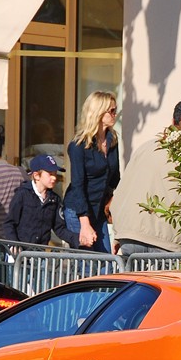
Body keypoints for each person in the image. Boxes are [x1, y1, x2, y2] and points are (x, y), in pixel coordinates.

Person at [111, 99, 181, 256]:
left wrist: (119, 232)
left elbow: (122, 191)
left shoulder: (147, 147)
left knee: (133, 281)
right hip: (167, 241)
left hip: (131, 234)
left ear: (172, 122)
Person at [63, 90, 120, 253]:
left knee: (107, 265)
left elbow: (115, 178)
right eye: (111, 111)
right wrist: (85, 223)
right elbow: (78, 185)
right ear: (98, 113)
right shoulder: (79, 146)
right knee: (87, 265)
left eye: (116, 110)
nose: (115, 114)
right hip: (78, 211)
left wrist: (111, 200)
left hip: (98, 210)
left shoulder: (113, 141)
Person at [4, 155, 76, 247]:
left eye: (55, 174)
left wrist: (78, 239)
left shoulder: (54, 200)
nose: (54, 178)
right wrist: (14, 244)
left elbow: (59, 228)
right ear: (36, 175)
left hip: (39, 254)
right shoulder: (22, 194)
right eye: (50, 174)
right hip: (20, 254)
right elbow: (9, 223)